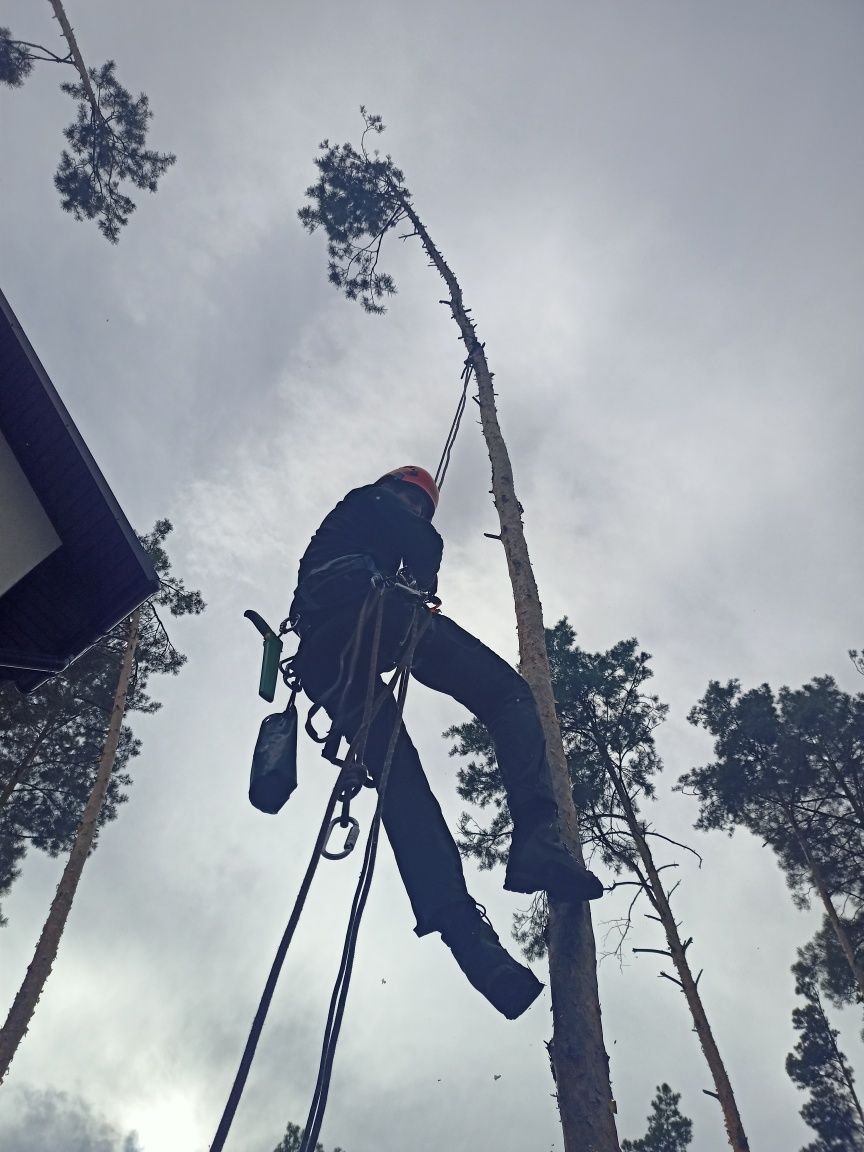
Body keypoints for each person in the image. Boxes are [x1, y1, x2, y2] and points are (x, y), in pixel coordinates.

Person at [290, 466, 603, 1020]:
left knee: (401, 785)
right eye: (416, 501)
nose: (415, 508)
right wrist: (424, 582)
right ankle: (536, 836)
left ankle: (470, 945)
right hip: (379, 614)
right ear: (403, 493)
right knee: (508, 696)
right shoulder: (375, 501)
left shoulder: (342, 533)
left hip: (324, 659)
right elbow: (422, 540)